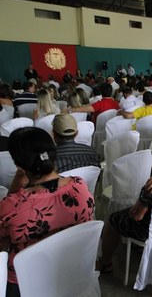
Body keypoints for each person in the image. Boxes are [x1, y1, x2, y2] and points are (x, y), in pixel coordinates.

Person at [0, 127, 94, 296]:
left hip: (25, 282)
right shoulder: (80, 186)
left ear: (19, 166)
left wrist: (16, 186)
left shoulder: (13, 204)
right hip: (71, 269)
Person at [99, 134, 152, 273]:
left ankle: (105, 263)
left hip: (151, 230)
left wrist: (134, 208)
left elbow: (137, 216)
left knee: (112, 220)